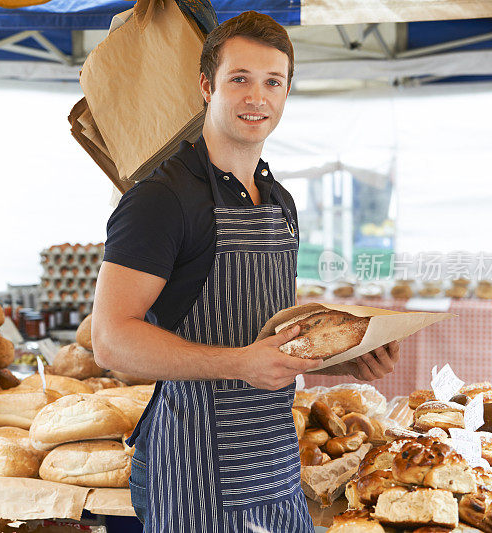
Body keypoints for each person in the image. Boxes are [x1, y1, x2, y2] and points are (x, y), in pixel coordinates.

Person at [91, 12, 401, 532]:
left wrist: (343, 358)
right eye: (240, 80)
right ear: (207, 87)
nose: (257, 97)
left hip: (276, 464)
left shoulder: (280, 202)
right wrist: (239, 363)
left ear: (285, 93)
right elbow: (110, 339)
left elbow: (272, 343)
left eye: (272, 82)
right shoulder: (161, 200)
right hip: (191, 466)